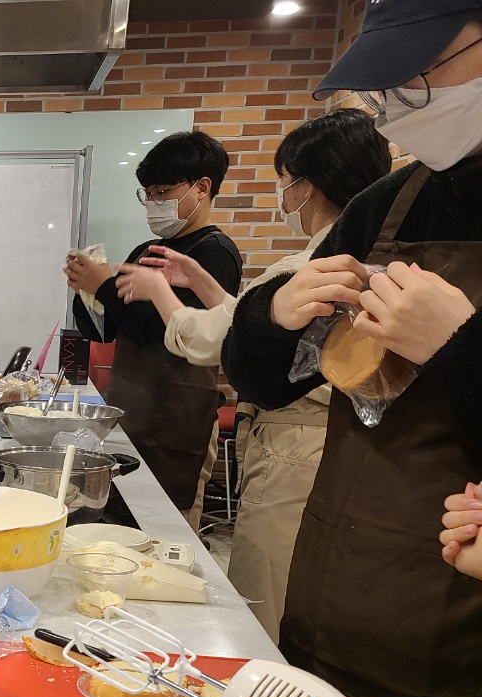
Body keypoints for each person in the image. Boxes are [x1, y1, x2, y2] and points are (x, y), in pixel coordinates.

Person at [223, 0, 482, 697]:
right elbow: (265, 379)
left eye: (420, 70)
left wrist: (458, 345)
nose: (397, 97)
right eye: (386, 79)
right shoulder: (388, 205)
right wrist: (272, 315)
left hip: (460, 663)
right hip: (336, 614)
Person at [113, 110, 392, 641]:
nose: (283, 197)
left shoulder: (316, 266)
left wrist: (159, 292)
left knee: (264, 595)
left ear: (307, 186)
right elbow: (252, 322)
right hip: (309, 442)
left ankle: (259, 683)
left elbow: (218, 339)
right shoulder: (358, 256)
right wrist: (198, 283)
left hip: (292, 445)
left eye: (285, 182)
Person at [64, 131, 243, 526]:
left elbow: (167, 336)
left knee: (166, 526)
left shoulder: (215, 252)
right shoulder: (147, 251)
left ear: (202, 188)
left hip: (178, 418)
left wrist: (103, 287)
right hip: (133, 410)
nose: (154, 203)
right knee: (122, 520)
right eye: (148, 194)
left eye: (163, 192)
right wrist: (87, 291)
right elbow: (106, 332)